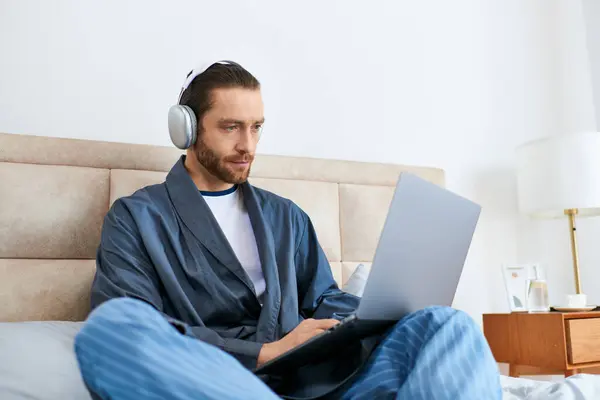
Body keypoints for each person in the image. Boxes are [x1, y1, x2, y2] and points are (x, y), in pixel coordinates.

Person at [74, 60, 502, 400]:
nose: (248, 145)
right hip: (219, 382)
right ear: (186, 127)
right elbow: (140, 324)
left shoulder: (287, 217)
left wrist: (371, 312)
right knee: (113, 325)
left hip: (317, 382)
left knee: (448, 325)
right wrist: (263, 352)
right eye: (231, 127)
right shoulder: (137, 217)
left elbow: (323, 299)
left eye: (256, 127)